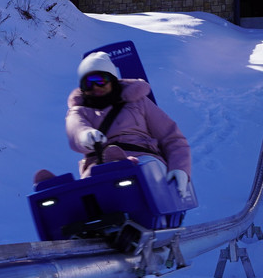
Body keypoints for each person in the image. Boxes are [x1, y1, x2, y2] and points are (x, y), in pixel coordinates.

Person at [62, 51, 192, 198]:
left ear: (113, 80)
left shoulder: (138, 102)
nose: (95, 87)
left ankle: (118, 165)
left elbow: (172, 138)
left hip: (144, 159)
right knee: (90, 180)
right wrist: (84, 135)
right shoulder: (79, 111)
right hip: (99, 164)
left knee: (138, 169)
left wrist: (180, 168)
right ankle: (54, 192)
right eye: (88, 83)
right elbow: (75, 128)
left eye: (101, 80)